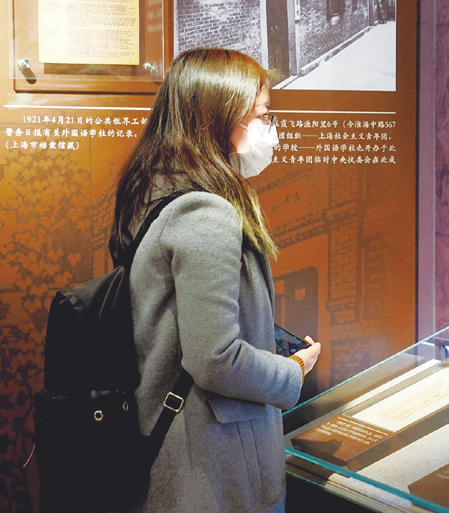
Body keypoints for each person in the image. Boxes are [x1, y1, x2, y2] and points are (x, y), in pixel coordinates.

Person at [109, 47, 322, 512]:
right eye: (263, 115)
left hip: (186, 456)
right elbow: (215, 358)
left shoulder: (157, 192)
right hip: (212, 468)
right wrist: (293, 370)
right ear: (220, 117)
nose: (272, 129)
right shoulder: (206, 212)